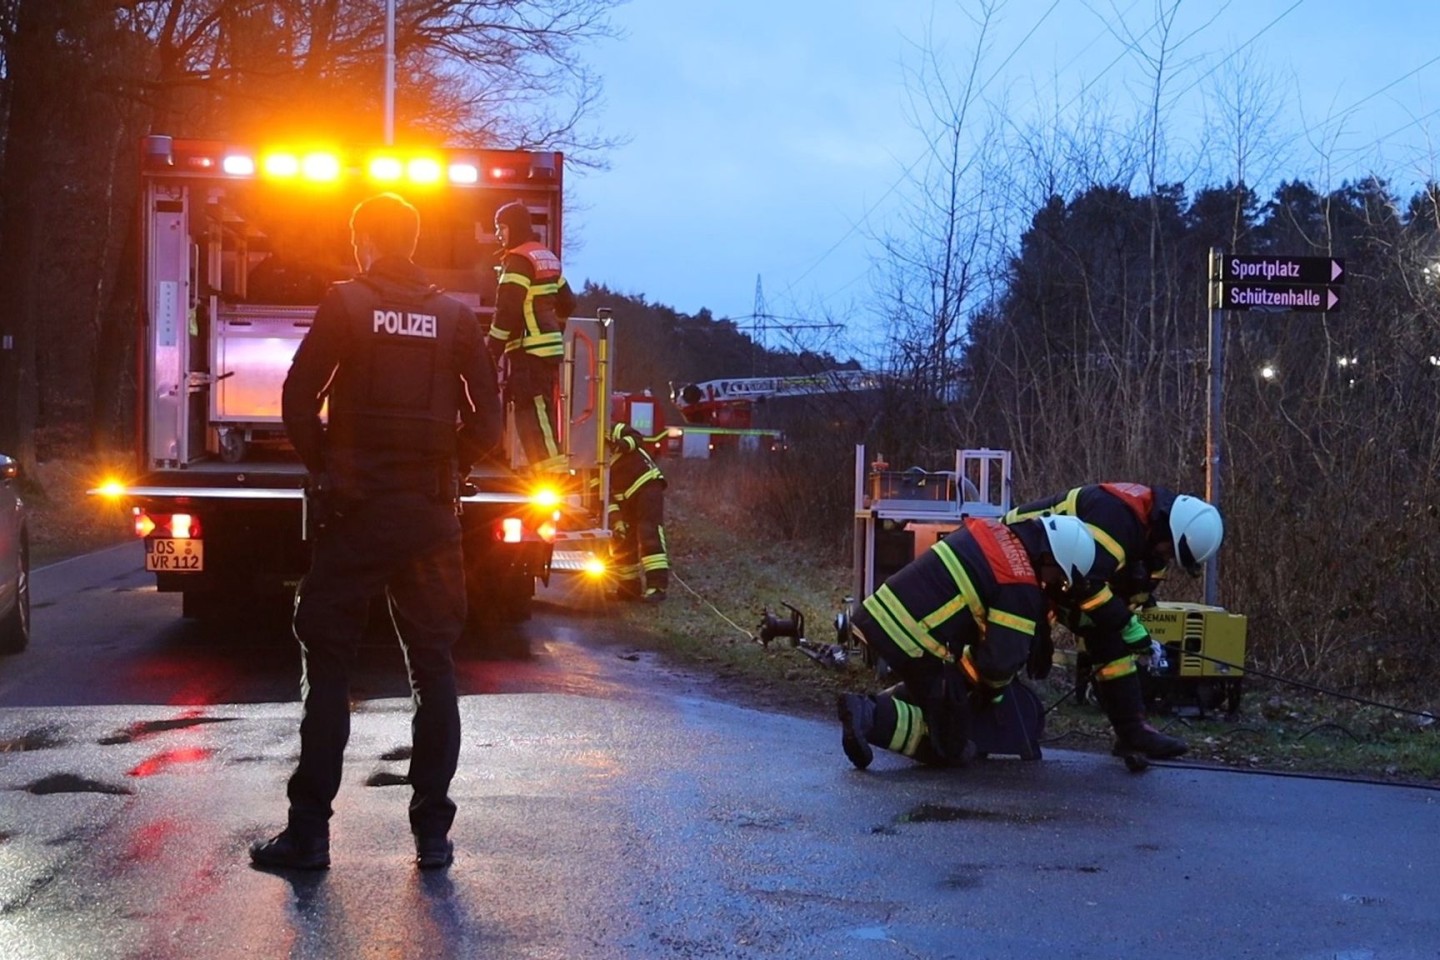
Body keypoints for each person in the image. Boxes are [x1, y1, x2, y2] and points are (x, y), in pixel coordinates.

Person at [251, 192, 502, 872]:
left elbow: (298, 397)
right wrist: (451, 466)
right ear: (414, 242)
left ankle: (309, 836)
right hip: (429, 519)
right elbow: (489, 424)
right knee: (434, 668)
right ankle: (432, 837)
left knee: (328, 661)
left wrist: (327, 467)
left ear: (364, 241)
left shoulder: (347, 304)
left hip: (355, 515)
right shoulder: (453, 317)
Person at [836, 514, 1098, 770]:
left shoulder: (997, 532)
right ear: (1050, 557)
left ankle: (872, 710)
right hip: (913, 638)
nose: (1056, 585)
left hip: (882, 615)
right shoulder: (1020, 583)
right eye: (1059, 578)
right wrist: (990, 696)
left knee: (942, 696)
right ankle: (869, 715)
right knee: (953, 743)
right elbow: (999, 662)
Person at [1003, 483, 1224, 760]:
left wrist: (1131, 627)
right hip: (1018, 559)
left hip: (1056, 573)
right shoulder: (1116, 518)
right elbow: (1086, 583)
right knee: (1015, 644)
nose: (1167, 557)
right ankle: (979, 712)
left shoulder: (1151, 538)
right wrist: (1127, 626)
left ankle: (1133, 733)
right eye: (1169, 551)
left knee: (1111, 641)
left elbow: (1130, 591)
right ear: (1167, 530)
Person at [487, 199, 576, 474]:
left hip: (529, 350)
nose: (498, 235)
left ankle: (552, 475)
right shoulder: (545, 257)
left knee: (532, 413)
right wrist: (554, 329)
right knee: (541, 412)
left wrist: (492, 351)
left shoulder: (517, 261)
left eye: (501, 228)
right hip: (546, 349)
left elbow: (508, 311)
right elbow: (568, 303)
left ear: (513, 227)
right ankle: (547, 471)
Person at [605, 423, 670, 603]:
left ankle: (657, 588)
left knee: (648, 531)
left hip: (646, 485)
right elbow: (603, 499)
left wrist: (621, 445)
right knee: (622, 538)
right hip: (625, 499)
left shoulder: (612, 429)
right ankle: (629, 589)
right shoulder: (586, 463)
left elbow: (636, 438)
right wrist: (616, 521)